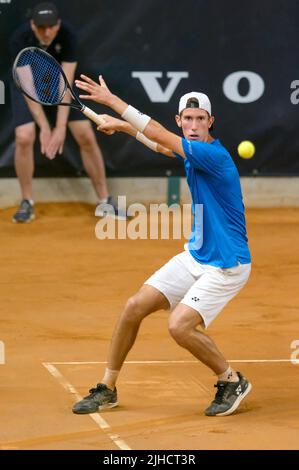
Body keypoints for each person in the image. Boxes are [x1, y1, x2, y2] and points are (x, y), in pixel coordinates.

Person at [72, 73, 252, 417]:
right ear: (180, 120)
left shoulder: (212, 155)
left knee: (179, 325)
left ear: (211, 122)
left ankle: (231, 380)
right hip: (198, 255)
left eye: (201, 119)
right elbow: (159, 143)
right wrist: (123, 127)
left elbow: (158, 133)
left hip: (228, 264)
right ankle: (107, 388)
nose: (195, 124)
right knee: (133, 307)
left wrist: (113, 103)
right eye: (188, 119)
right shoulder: (191, 150)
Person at [9, 2, 123, 223]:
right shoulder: (19, 39)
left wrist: (60, 128)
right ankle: (27, 202)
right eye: (41, 27)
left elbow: (65, 83)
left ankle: (105, 200)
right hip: (27, 87)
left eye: (51, 26)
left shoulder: (68, 35)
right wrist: (44, 127)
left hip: (57, 85)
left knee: (85, 134)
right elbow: (27, 87)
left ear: (58, 24)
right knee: (24, 136)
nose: (47, 32)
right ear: (32, 26)